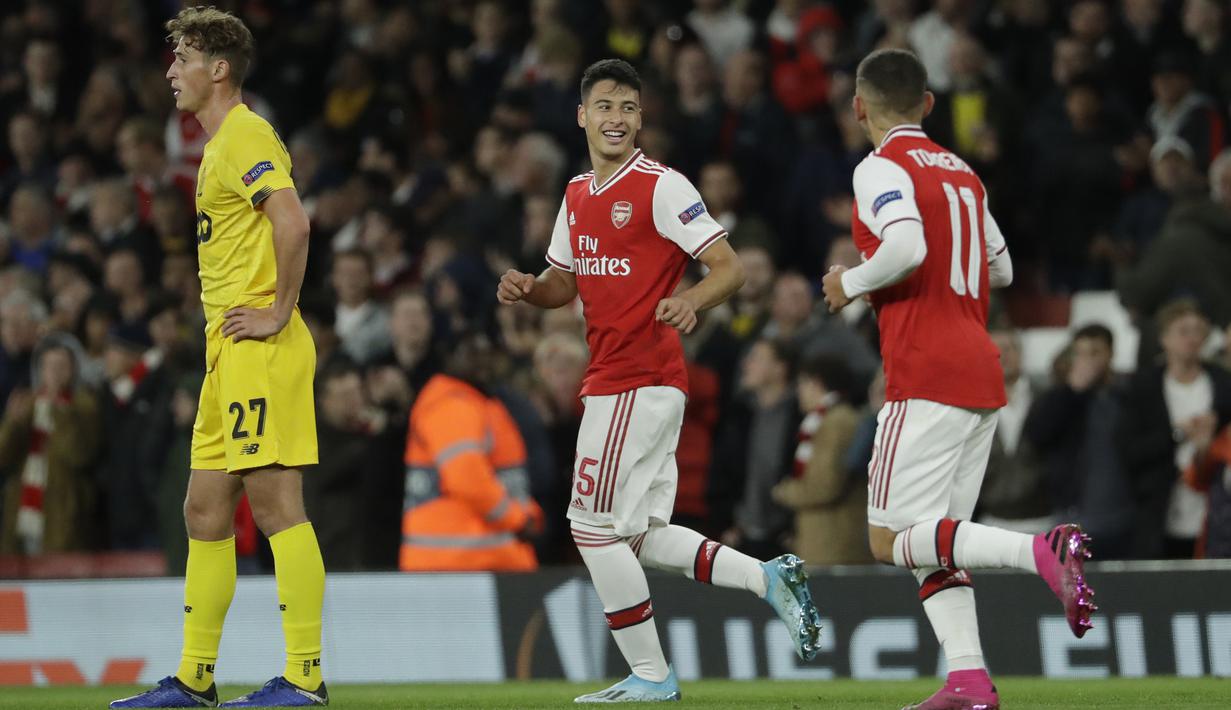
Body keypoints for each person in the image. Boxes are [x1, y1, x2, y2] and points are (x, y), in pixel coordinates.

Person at [497, 58, 820, 704]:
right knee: (637, 534)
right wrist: (531, 289)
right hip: (621, 378)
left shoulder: (661, 186)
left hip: (636, 376)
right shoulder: (576, 194)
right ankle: (767, 578)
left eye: (628, 107)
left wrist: (692, 300)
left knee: (590, 528)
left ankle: (650, 674)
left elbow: (729, 267)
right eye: (604, 106)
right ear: (582, 115)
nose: (616, 118)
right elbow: (564, 282)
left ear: (640, 119)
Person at [820, 49, 1096, 710]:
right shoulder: (963, 174)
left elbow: (907, 246)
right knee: (936, 543)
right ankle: (968, 680)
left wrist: (849, 282)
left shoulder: (878, 166)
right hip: (978, 368)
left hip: (924, 370)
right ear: (928, 103)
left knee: (887, 539)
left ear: (858, 107)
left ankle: (1042, 550)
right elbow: (1000, 268)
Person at [113, 7, 323, 708]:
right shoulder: (220, 147)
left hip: (259, 347)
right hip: (225, 353)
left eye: (183, 58)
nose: (172, 71)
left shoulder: (245, 134)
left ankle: (306, 678)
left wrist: (279, 311)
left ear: (219, 68)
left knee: (276, 506)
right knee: (203, 511)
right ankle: (195, 679)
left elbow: (293, 222)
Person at [400, 330, 544, 571]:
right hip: (460, 562)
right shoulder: (451, 404)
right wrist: (516, 518)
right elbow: (466, 477)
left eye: (487, 353)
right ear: (449, 358)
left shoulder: (479, 402)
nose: (482, 361)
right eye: (472, 353)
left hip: (475, 560)